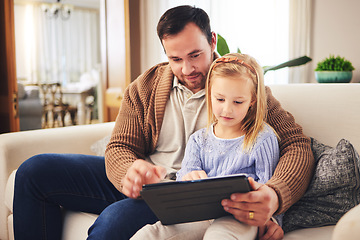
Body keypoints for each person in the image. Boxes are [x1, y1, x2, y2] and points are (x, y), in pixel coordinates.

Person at [13, 5, 314, 240]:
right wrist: (129, 171)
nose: (188, 68)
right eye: (175, 58)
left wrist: (274, 196)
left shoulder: (240, 86)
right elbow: (119, 146)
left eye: (195, 54)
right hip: (145, 181)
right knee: (33, 171)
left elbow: (296, 144)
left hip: (182, 193)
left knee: (113, 223)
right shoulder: (144, 87)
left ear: (212, 41)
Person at [131, 53, 283, 240]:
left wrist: (272, 222)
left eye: (237, 102)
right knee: (149, 234)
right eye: (220, 99)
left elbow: (268, 192)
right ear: (209, 94)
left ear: (252, 100)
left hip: (240, 217)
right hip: (200, 215)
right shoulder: (198, 140)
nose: (227, 109)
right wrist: (188, 178)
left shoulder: (263, 139)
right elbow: (183, 182)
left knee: (218, 236)